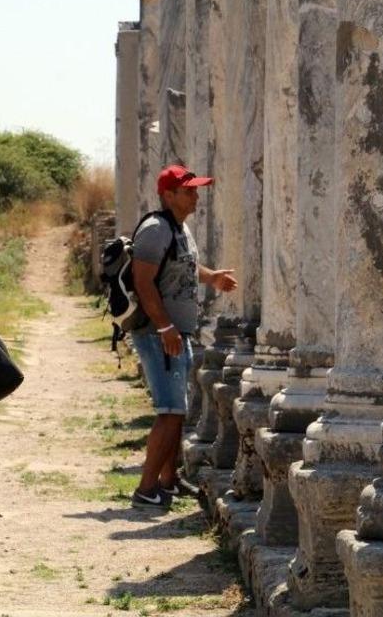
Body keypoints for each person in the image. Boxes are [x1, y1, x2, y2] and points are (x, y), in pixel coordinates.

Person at [129, 165, 237, 509]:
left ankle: (168, 481)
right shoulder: (155, 230)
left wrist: (212, 278)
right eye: (188, 190)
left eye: (196, 189)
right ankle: (146, 490)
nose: (195, 195)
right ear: (169, 195)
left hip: (177, 334)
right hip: (160, 335)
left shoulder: (180, 229)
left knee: (177, 410)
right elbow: (143, 281)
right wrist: (164, 327)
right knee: (169, 411)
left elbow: (185, 267)